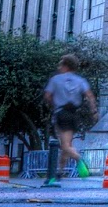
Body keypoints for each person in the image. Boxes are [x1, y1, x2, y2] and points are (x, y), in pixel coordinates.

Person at [43, 54, 97, 186]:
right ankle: (59, 174)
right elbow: (89, 95)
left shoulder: (56, 79)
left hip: (61, 112)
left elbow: (47, 96)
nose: (59, 67)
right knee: (66, 144)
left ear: (66, 66)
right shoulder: (80, 80)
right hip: (74, 114)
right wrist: (94, 111)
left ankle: (79, 159)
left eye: (61, 65)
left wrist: (53, 103)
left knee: (65, 146)